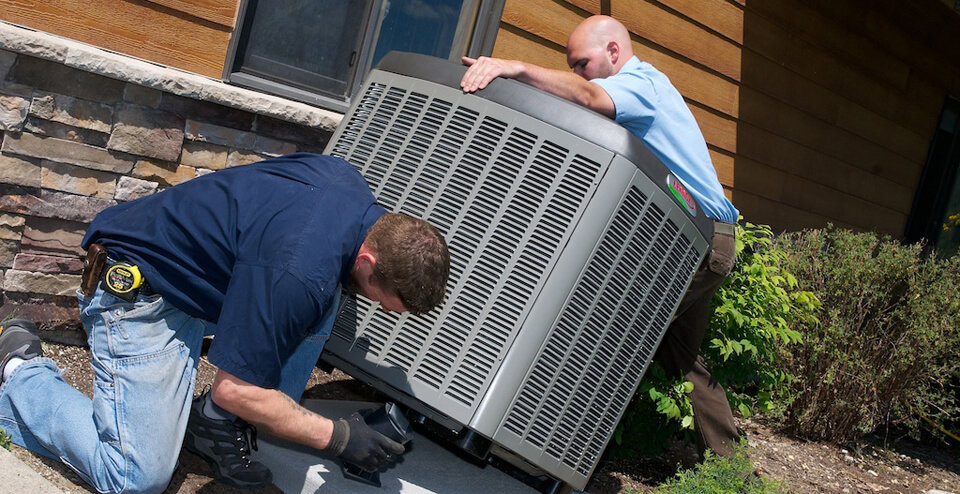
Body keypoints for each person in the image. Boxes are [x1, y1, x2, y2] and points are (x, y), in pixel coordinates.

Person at [0, 152, 450, 493]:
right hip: (138, 293)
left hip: (199, 282)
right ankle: (21, 371)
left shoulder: (346, 183)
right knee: (135, 477)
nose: (387, 310)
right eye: (389, 300)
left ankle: (213, 421)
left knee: (325, 292)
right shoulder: (298, 272)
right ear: (372, 258)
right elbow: (234, 385)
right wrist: (338, 438)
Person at [461, 15, 741, 458]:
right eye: (571, 67)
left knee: (608, 337)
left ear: (613, 52)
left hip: (696, 243)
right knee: (683, 359)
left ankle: (544, 454)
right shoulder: (633, 91)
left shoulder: (640, 84)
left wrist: (516, 67)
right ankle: (736, 471)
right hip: (706, 240)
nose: (578, 74)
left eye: (582, 63)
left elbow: (590, 98)